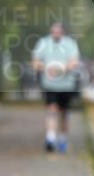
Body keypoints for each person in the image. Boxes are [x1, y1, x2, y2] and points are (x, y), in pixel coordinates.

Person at [31, 22, 82, 153]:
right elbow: (35, 61)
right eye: (54, 31)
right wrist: (46, 68)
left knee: (63, 113)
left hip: (66, 86)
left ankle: (63, 137)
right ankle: (50, 137)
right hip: (50, 85)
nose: (56, 34)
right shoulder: (43, 43)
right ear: (50, 31)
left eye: (58, 31)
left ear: (62, 32)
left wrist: (60, 69)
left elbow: (74, 61)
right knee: (51, 109)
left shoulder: (70, 44)